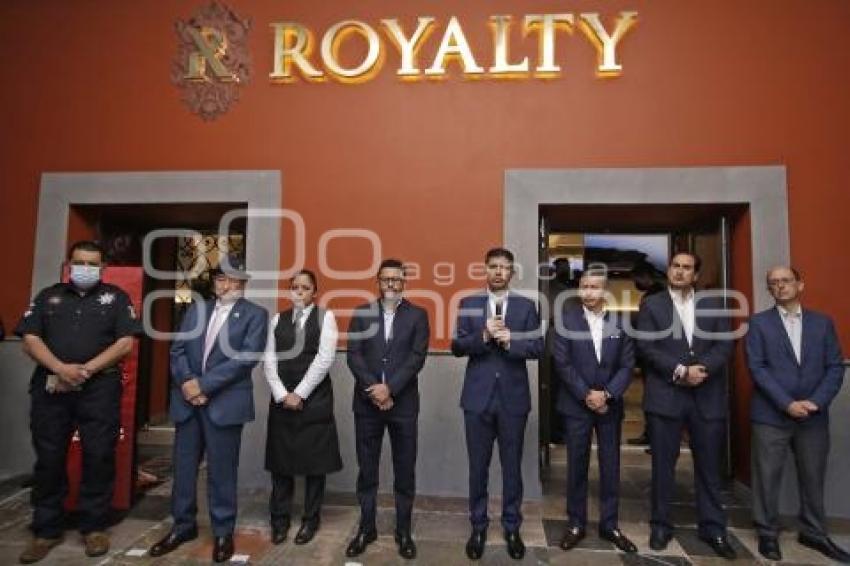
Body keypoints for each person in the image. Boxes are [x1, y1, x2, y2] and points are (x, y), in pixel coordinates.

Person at [15, 240, 141, 563]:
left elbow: (125, 343)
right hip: (52, 388)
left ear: (102, 267)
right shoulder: (48, 296)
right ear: (69, 264)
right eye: (79, 262)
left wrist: (85, 371)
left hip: (99, 389)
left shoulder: (117, 298)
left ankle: (94, 526)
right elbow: (30, 339)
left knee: (99, 455)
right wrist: (60, 368)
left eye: (92, 264)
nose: (85, 268)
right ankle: (46, 530)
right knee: (49, 457)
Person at [149, 254, 267, 563]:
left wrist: (203, 386)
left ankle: (223, 532)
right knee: (184, 469)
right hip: (188, 403)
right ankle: (182, 526)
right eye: (221, 279)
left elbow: (246, 358)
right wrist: (188, 383)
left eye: (233, 280)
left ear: (243, 284)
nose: (225, 285)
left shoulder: (255, 315)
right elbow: (177, 350)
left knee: (221, 472)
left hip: (224, 405)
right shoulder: (196, 310)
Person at [745, 266, 849, 562]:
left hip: (813, 416)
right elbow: (757, 368)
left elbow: (835, 366)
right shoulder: (758, 324)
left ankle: (814, 532)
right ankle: (767, 533)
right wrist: (786, 403)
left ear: (799, 285)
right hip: (771, 415)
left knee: (813, 476)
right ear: (769, 289)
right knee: (767, 476)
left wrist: (816, 402)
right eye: (774, 283)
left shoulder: (822, 323)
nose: (780, 286)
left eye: (786, 281)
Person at [636, 252, 736, 559]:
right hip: (667, 395)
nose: (680, 272)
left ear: (696, 275)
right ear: (669, 271)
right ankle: (661, 526)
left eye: (687, 268)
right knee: (663, 467)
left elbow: (725, 344)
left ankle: (713, 528)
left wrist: (702, 369)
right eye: (676, 266)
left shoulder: (714, 304)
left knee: (709, 467)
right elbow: (646, 346)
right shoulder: (652, 305)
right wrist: (681, 371)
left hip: (707, 395)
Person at [451, 247, 543, 561]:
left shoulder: (526, 306)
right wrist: (484, 336)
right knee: (478, 468)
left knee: (512, 467)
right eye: (493, 266)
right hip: (477, 400)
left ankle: (512, 527)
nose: (499, 272)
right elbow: (457, 346)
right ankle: (478, 526)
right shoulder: (469, 304)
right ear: (485, 270)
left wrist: (510, 340)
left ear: (511, 272)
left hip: (513, 401)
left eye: (504, 267)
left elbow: (538, 347)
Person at [345, 259, 430, 559]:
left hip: (403, 405)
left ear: (404, 282)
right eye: (385, 279)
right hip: (367, 404)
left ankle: (403, 531)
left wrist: (390, 389)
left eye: (396, 279)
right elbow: (354, 356)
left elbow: (417, 357)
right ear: (378, 282)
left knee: (404, 470)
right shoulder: (361, 314)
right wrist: (375, 390)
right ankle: (366, 528)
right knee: (367, 471)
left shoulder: (418, 315)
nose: (391, 284)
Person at [552, 268, 637, 554]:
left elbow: (627, 365)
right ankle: (576, 524)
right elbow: (562, 363)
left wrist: (607, 394)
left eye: (594, 287)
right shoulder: (566, 320)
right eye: (584, 286)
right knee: (576, 466)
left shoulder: (620, 322)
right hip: (576, 405)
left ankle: (609, 525)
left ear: (605, 291)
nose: (588, 292)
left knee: (610, 467)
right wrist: (587, 394)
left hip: (609, 406)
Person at [263, 270, 342, 546]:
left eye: (305, 288)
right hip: (282, 400)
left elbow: (325, 358)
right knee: (281, 464)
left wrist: (300, 393)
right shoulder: (277, 320)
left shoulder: (326, 317)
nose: (299, 291)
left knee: (314, 465)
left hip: (314, 400)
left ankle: (310, 519)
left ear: (314, 292)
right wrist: (282, 394)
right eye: (295, 287)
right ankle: (279, 520)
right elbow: (269, 359)